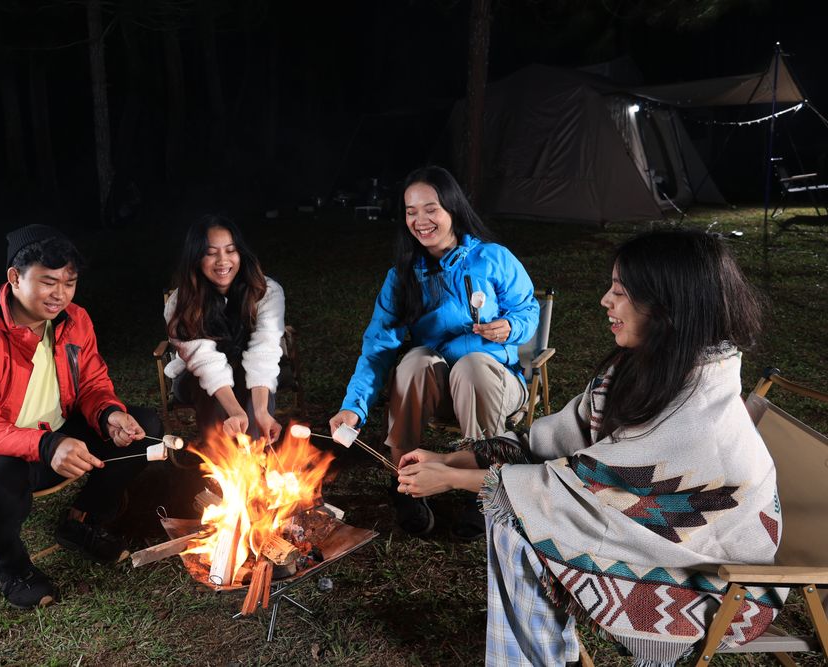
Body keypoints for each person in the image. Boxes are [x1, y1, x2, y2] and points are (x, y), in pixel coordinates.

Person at [396, 229, 783, 665]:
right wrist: (450, 458)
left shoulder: (699, 414)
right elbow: (550, 441)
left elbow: (583, 484)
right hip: (652, 534)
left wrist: (450, 479)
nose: (605, 301)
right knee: (520, 518)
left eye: (620, 292)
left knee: (520, 525)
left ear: (667, 306)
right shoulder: (648, 367)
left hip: (710, 573)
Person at [0, 224, 162, 610]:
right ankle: (10, 566)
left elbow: (92, 383)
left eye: (69, 283)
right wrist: (46, 444)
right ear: (14, 278)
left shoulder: (74, 320)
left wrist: (109, 414)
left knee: (146, 431)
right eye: (48, 282)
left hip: (59, 438)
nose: (60, 294)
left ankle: (81, 520)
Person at [329, 165, 539, 538]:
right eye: (411, 212)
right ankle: (406, 480)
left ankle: (484, 489)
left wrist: (512, 327)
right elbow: (378, 348)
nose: (420, 221)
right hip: (441, 389)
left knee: (473, 364)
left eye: (430, 209)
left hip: (495, 385)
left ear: (452, 209)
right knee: (414, 361)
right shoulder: (404, 276)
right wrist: (353, 405)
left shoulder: (493, 258)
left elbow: (527, 310)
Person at [164, 215, 285, 442]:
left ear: (241, 253)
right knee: (210, 393)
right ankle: (220, 465)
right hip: (198, 378)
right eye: (211, 253)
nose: (223, 260)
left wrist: (260, 412)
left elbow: (264, 354)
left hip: (250, 373)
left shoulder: (266, 292)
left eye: (230, 250)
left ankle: (255, 465)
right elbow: (205, 363)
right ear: (196, 258)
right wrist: (235, 411)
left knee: (253, 395)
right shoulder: (181, 303)